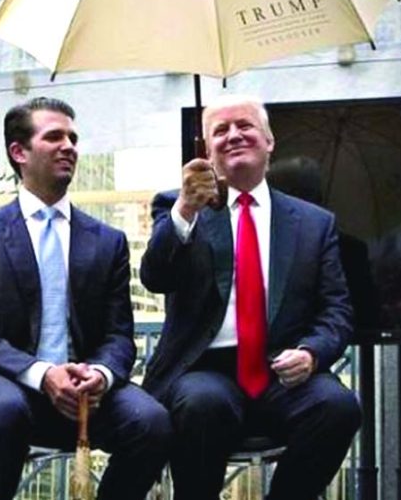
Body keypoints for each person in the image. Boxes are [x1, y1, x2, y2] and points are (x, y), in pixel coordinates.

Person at [0, 97, 172, 500]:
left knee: (151, 421)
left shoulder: (107, 242)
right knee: (2, 410)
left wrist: (99, 375)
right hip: (4, 384)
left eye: (73, 137)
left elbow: (119, 336)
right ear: (19, 152)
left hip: (84, 393)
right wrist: (42, 373)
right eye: (54, 137)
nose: (69, 146)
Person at [140, 94, 361, 500]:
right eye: (220, 130)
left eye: (244, 125)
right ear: (206, 150)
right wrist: (188, 208)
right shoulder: (177, 205)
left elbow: (337, 310)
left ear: (270, 140)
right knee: (201, 404)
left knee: (339, 406)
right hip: (204, 369)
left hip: (283, 371)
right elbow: (155, 277)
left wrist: (311, 353)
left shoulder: (314, 223)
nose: (233, 135)